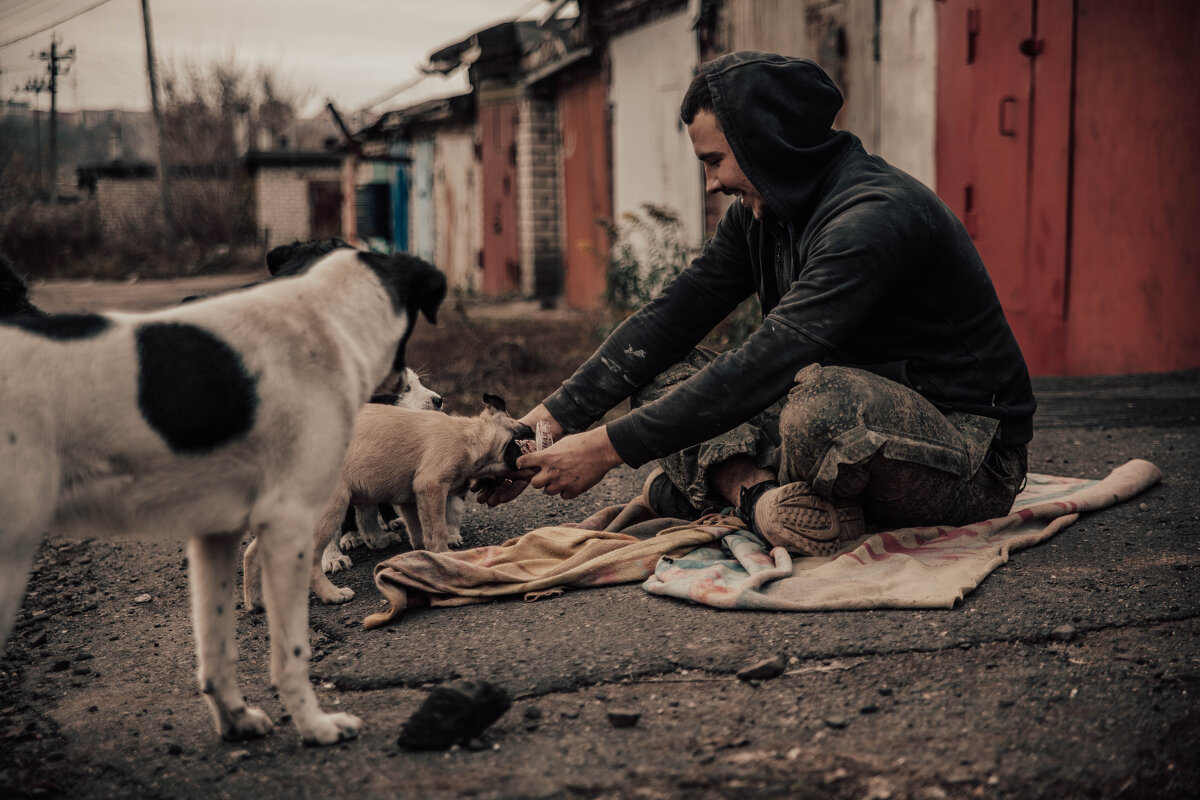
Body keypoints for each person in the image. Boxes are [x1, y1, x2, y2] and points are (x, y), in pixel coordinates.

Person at [480, 51, 1035, 555]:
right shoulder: (763, 213)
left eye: (717, 159)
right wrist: (546, 422)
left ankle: (711, 487)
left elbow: (770, 360)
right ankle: (761, 501)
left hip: (968, 454)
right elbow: (673, 316)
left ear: (768, 143)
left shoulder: (875, 218)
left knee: (825, 404)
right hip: (835, 436)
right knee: (658, 377)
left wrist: (604, 451)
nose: (711, 182)